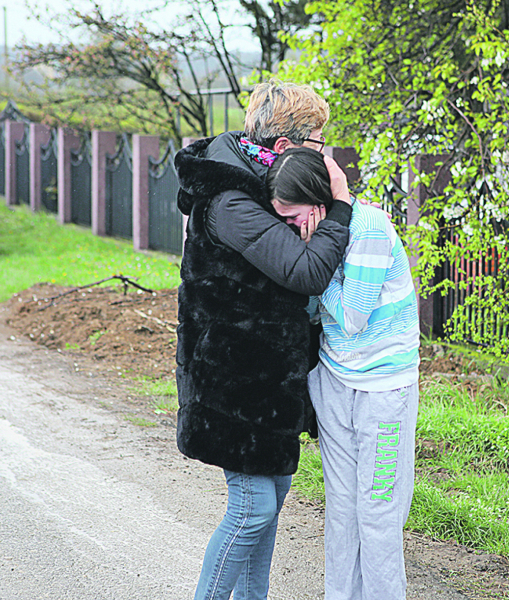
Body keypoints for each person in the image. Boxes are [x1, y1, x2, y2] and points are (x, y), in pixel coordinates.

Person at [173, 81, 353, 600]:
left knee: (269, 504)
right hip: (231, 384)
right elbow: (305, 271)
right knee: (252, 509)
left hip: (267, 382)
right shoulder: (232, 199)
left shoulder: (265, 181)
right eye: (318, 143)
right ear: (286, 145)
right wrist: (340, 206)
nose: (325, 154)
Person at [266, 147, 421, 600]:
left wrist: (317, 263)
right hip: (334, 382)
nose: (290, 227)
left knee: (378, 515)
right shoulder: (314, 235)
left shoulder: (368, 229)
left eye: (293, 217)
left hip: (382, 392)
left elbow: (352, 316)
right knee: (341, 511)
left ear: (318, 204)